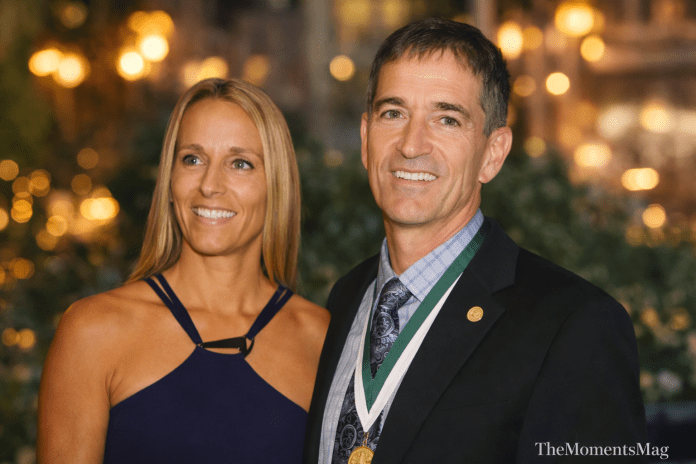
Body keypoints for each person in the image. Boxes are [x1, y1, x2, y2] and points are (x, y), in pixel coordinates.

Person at [304, 18, 647, 464]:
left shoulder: (575, 326)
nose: (411, 144)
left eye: (447, 119)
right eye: (394, 113)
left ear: (493, 153)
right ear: (366, 137)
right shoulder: (346, 297)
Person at [38, 78, 330, 463]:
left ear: (276, 185)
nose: (210, 185)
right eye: (192, 159)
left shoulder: (321, 338)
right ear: (170, 178)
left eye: (240, 164)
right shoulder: (93, 331)